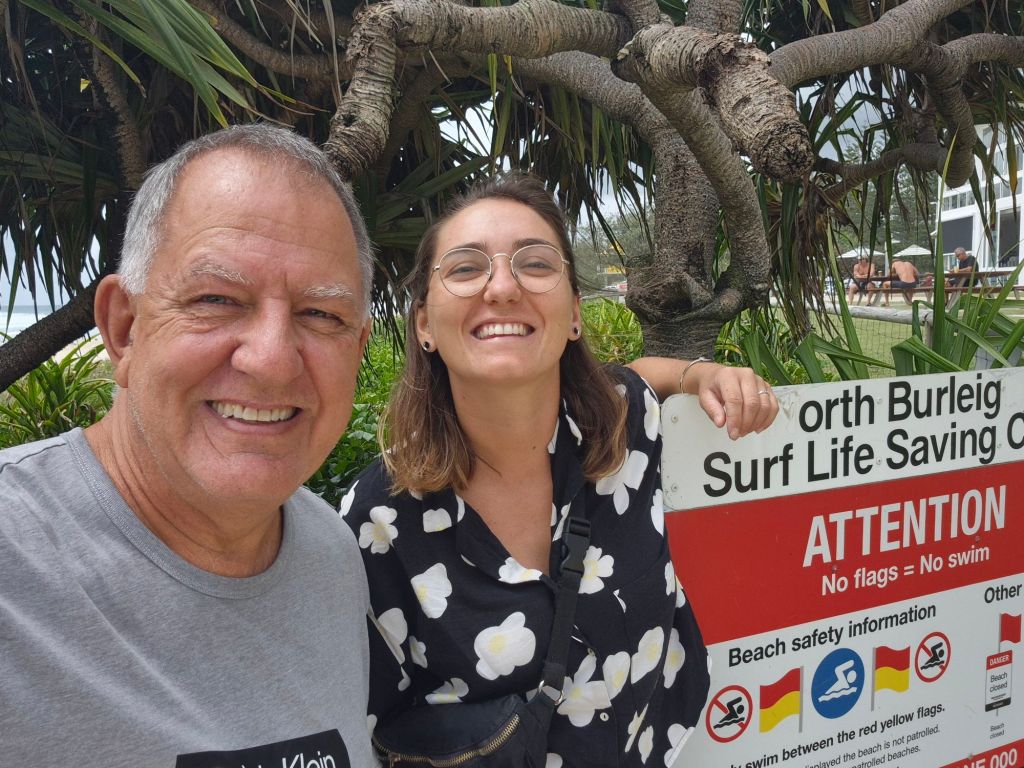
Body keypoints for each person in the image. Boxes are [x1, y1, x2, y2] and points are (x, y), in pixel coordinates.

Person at [341, 173, 778, 767]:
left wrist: (704, 374)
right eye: (466, 268)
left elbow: (641, 375)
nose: (503, 287)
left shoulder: (621, 424)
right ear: (423, 324)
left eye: (536, 264)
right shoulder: (378, 520)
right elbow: (368, 728)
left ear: (574, 313)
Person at [0, 125, 379, 767]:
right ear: (124, 329)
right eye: (217, 299)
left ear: (359, 348)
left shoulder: (331, 556)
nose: (271, 360)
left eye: (321, 315)